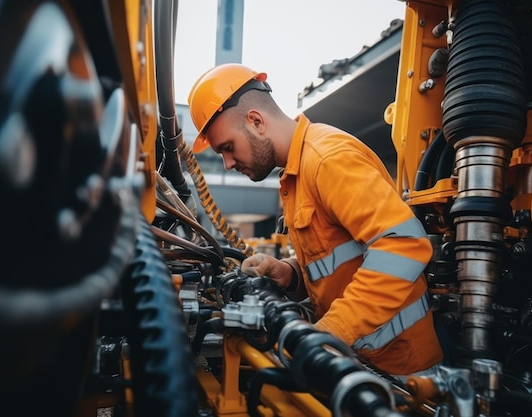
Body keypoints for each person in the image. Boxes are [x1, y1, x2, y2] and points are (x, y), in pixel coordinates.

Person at [187, 63, 443, 376]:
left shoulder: (327, 159)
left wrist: (330, 331)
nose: (227, 164)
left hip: (404, 371)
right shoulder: (296, 175)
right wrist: (288, 273)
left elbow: (403, 246)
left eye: (227, 147)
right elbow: (341, 258)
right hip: (359, 362)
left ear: (256, 121)